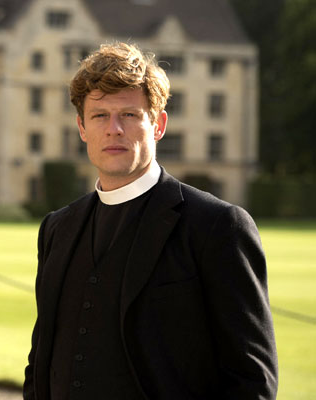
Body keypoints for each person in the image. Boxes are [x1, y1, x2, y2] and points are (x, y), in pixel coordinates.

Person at [23, 42, 277, 399]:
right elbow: (41, 361)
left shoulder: (218, 227)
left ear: (157, 124)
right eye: (99, 116)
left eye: (129, 115)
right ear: (81, 127)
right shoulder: (56, 228)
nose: (114, 129)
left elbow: (252, 381)